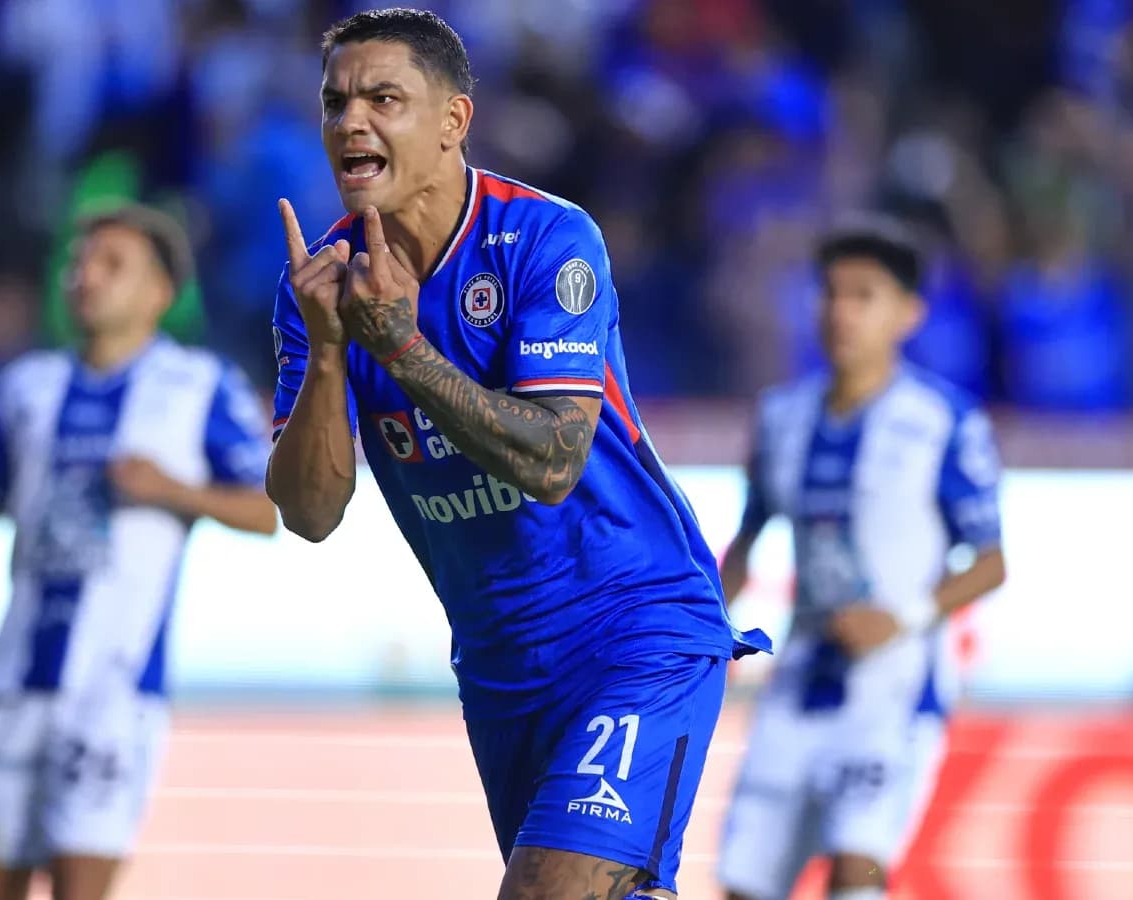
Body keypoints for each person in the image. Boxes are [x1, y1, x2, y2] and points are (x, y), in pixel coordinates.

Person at [267, 9, 769, 899]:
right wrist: (334, 349)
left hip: (635, 624)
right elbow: (310, 515)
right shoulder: (317, 286)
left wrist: (401, 350)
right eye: (336, 101)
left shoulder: (546, 239)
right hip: (502, 664)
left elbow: (552, 463)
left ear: (455, 121)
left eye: (384, 98)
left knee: (544, 893)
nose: (352, 122)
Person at [0, 203, 278, 900]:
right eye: (79, 263)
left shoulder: (198, 385)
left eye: (112, 265)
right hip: (15, 678)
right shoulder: (25, 387)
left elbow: (268, 509)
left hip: (114, 687)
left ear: (160, 292)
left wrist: (174, 491)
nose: (86, 278)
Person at [714, 217, 1008, 900]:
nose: (841, 312)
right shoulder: (782, 416)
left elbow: (991, 562)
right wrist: (701, 633)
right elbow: (748, 540)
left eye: (864, 295)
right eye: (831, 293)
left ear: (908, 314)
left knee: (857, 873)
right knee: (747, 884)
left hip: (894, 684)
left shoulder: (945, 421)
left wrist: (899, 618)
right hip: (800, 676)